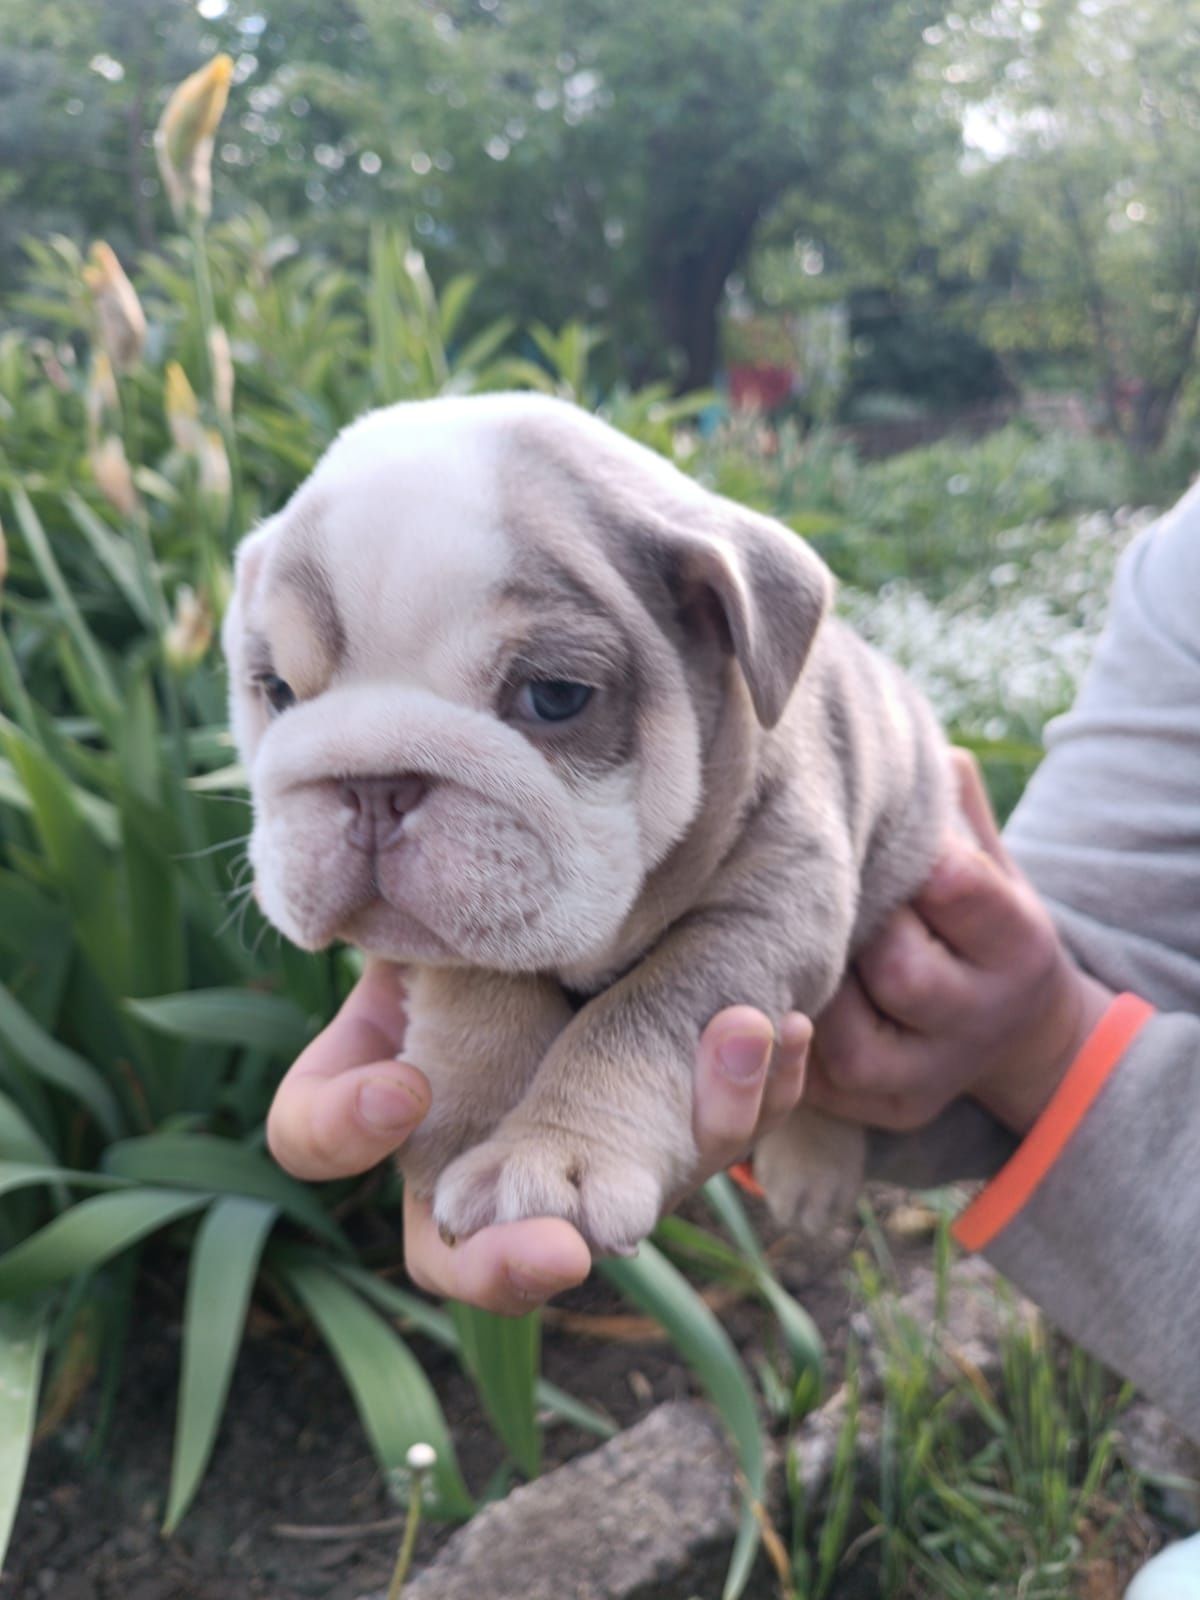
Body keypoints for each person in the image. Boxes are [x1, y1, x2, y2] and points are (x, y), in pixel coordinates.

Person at [265, 478, 1200, 1587]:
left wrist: (614, 1091)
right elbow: (1105, 948)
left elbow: (791, 909)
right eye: (282, 688)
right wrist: (983, 1047)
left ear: (728, 614)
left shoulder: (781, 740)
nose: (380, 784)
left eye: (554, 692)